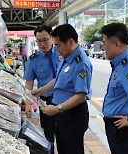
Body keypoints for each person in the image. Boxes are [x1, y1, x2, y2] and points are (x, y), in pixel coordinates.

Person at [31, 24, 92, 154]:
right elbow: (58, 81)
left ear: (70, 42)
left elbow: (81, 95)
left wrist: (58, 109)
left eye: (58, 45)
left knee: (72, 149)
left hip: (72, 114)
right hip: (63, 112)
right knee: (63, 148)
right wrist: (40, 91)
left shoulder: (80, 63)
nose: (56, 49)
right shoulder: (67, 59)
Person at [100, 23, 128, 154]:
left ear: (116, 44)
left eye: (104, 43)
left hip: (124, 130)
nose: (103, 48)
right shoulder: (121, 63)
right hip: (117, 129)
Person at [23, 25, 61, 154]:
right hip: (45, 102)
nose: (42, 44)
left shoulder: (62, 53)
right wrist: (28, 103)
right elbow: (29, 82)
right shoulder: (34, 59)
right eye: (39, 41)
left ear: (52, 37)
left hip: (63, 101)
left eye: (45, 40)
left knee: (64, 136)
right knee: (48, 137)